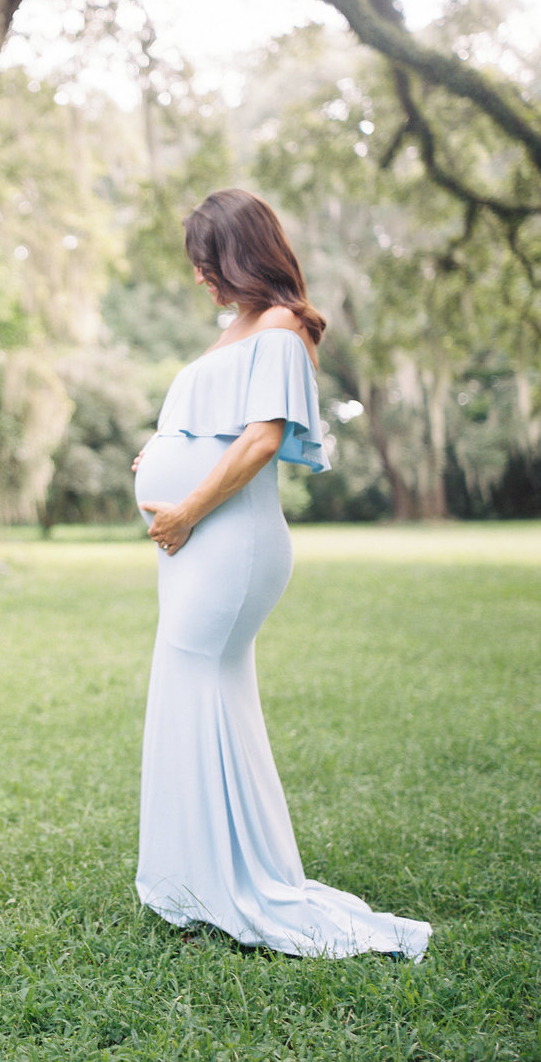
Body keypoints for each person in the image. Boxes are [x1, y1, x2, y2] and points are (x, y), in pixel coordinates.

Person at [131, 188, 431, 961]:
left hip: (228, 542)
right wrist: (162, 456)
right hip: (197, 538)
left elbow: (262, 440)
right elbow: (212, 428)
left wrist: (185, 508)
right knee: (199, 694)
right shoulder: (236, 331)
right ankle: (201, 873)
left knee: (198, 683)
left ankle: (231, 879)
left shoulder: (282, 330)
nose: (200, 278)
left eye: (207, 262)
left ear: (239, 253)